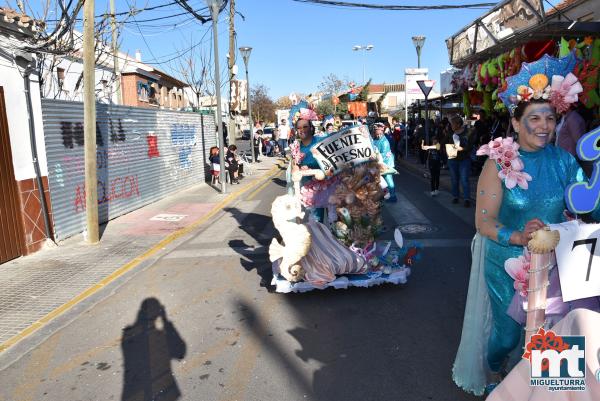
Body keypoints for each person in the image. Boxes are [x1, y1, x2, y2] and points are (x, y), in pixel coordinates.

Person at [453, 53, 600, 396]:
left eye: (550, 117)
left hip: (558, 258)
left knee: (555, 330)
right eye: (534, 117)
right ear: (517, 123)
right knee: (507, 335)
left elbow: (585, 207)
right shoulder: (500, 162)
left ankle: (548, 393)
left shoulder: (564, 160)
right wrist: (518, 235)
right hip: (507, 257)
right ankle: (496, 372)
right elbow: (484, 223)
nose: (544, 126)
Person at [446, 115, 473, 207]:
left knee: (464, 179)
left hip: (464, 159)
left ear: (458, 124)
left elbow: (470, 146)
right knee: (454, 179)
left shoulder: (467, 133)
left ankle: (466, 199)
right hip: (452, 159)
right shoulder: (450, 133)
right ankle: (455, 196)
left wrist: (462, 149)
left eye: (453, 124)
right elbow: (445, 143)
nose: (451, 126)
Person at [371, 122, 397, 202]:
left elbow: (384, 154)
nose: (375, 131)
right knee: (380, 180)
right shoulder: (375, 139)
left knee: (388, 178)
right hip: (379, 162)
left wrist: (375, 156)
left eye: (376, 129)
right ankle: (384, 195)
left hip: (386, 162)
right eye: (374, 129)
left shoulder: (384, 141)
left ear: (381, 130)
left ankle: (393, 196)